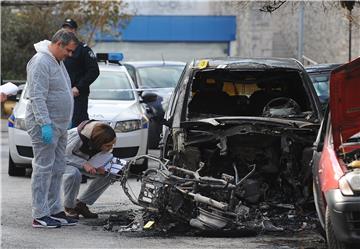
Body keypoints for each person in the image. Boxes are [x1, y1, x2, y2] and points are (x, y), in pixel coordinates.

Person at [25, 29, 79, 228]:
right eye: (68, 50)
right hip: (45, 125)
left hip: (60, 125)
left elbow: (62, 91)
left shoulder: (58, 61)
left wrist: (66, 119)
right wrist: (44, 124)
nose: (70, 55)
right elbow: (37, 96)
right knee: (43, 169)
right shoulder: (40, 62)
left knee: (57, 168)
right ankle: (39, 214)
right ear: (58, 44)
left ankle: (54, 209)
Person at [63, 120, 117, 219]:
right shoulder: (77, 136)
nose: (110, 148)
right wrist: (84, 164)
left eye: (112, 145)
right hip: (64, 162)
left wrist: (101, 165)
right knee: (74, 174)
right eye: (108, 146)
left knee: (111, 172)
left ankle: (81, 204)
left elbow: (102, 154)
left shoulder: (105, 134)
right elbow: (63, 155)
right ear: (98, 142)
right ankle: (69, 207)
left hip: (85, 163)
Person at [61, 18, 100, 127]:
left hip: (77, 97)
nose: (67, 31)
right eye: (65, 28)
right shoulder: (59, 48)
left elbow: (94, 71)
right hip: (61, 95)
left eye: (70, 28)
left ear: (75, 31)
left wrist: (79, 87)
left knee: (78, 127)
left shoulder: (83, 49)